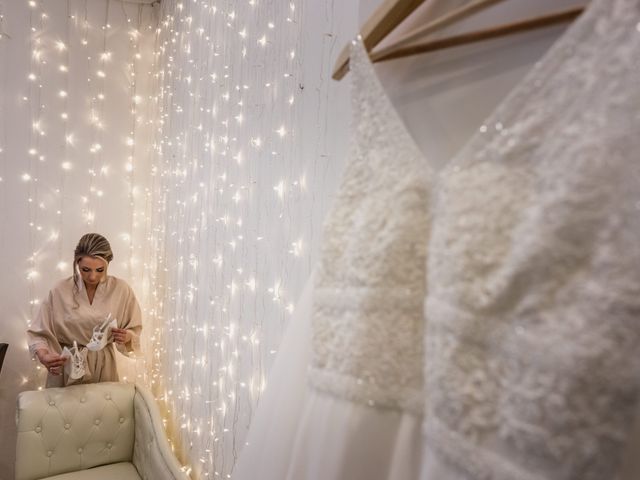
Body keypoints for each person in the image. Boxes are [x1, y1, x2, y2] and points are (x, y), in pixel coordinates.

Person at [28, 233, 142, 387]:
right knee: (66, 411)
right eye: (85, 269)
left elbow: (134, 329)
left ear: (108, 264)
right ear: (77, 263)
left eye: (100, 270)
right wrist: (43, 356)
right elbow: (38, 333)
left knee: (102, 410)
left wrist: (126, 336)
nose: (93, 276)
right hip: (68, 366)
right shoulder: (60, 290)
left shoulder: (121, 290)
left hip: (104, 367)